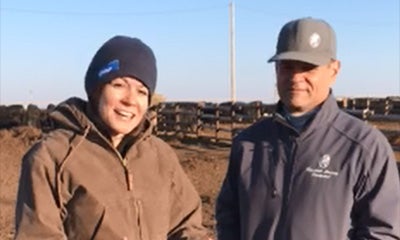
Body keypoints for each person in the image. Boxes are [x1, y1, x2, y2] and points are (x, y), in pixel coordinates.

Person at [216, 17, 400, 240]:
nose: (296, 78)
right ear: (276, 70)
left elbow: (381, 232)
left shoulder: (364, 147)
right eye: (287, 66)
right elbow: (229, 218)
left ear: (334, 70)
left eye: (308, 68)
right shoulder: (247, 143)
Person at [15, 36, 211, 240]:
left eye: (142, 92)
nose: (130, 100)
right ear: (97, 90)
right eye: (118, 85)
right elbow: (38, 235)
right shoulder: (51, 157)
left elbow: (187, 226)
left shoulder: (161, 155)